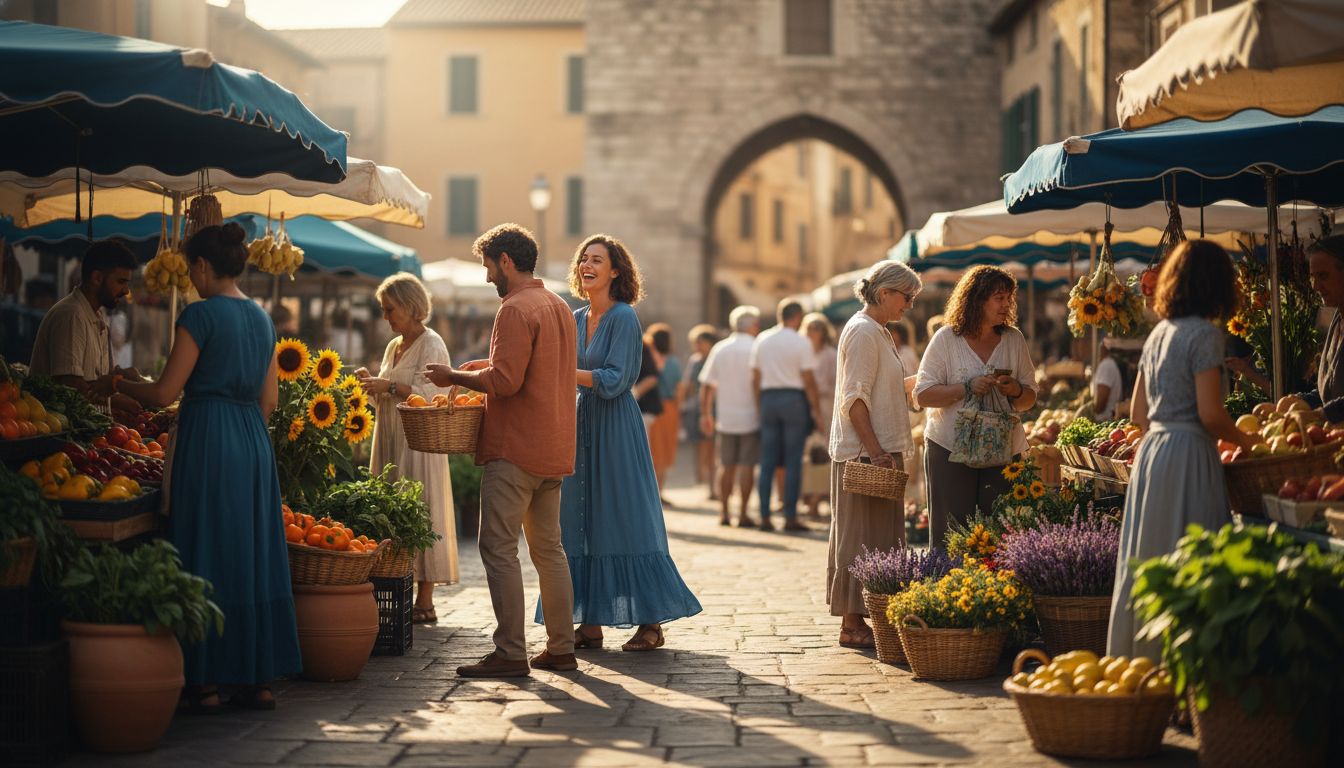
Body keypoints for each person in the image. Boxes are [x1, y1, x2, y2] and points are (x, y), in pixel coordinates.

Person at [93, 223, 299, 712]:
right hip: (252, 439)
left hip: (208, 436)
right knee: (251, 553)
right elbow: (269, 400)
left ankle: (203, 681)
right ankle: (257, 680)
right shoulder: (264, 320)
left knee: (205, 545)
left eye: (190, 270)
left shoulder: (200, 315)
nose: (189, 279)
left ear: (203, 266)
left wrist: (115, 386)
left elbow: (165, 393)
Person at [423, 223, 578, 678]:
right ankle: (562, 647)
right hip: (553, 447)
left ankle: (510, 652)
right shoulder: (559, 306)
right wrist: (480, 368)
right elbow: (531, 371)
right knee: (550, 551)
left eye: (489, 266)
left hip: (515, 448)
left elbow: (507, 383)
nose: (489, 276)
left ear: (505, 261)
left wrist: (454, 376)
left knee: (498, 548)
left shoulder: (513, 309)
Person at [1107, 240, 1262, 658]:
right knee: (1191, 559)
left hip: (1154, 453)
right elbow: (1212, 415)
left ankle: (1142, 662)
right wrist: (1254, 443)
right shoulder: (1206, 335)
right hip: (1190, 451)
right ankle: (1187, 669)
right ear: (1217, 285)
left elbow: (1138, 413)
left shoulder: (1159, 333)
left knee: (1150, 556)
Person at [552, 234, 702, 653]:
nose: (587, 264)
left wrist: (565, 372)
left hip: (616, 427)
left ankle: (651, 622)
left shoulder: (624, 318)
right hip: (581, 427)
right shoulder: (576, 317)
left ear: (615, 270)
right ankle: (590, 622)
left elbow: (617, 380)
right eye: (584, 258)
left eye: (597, 259)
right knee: (582, 519)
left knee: (626, 517)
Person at [354, 273, 459, 624]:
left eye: (390, 309)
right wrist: (375, 384)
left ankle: (425, 600)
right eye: (383, 310)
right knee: (392, 511)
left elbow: (435, 396)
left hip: (418, 442)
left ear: (412, 308)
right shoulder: (392, 346)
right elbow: (391, 390)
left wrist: (391, 386)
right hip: (389, 437)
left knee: (422, 511)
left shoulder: (432, 344)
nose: (385, 317)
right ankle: (399, 588)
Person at [829, 261, 922, 648]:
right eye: (907, 297)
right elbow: (854, 398)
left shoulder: (879, 331)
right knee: (859, 538)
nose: (910, 305)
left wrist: (921, 382)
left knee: (878, 539)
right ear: (885, 294)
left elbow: (878, 389)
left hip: (877, 450)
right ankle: (852, 625)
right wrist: (875, 451)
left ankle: (870, 618)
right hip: (865, 454)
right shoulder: (865, 331)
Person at [915, 265, 1039, 550]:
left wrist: (1016, 390)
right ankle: (949, 591)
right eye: (999, 298)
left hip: (1004, 449)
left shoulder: (1014, 339)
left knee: (999, 530)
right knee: (952, 532)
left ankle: (995, 592)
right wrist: (967, 387)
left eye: (1009, 298)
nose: (1007, 304)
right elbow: (922, 395)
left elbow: (1029, 399)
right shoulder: (946, 339)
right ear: (977, 299)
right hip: (948, 448)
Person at [29, 240, 140, 411]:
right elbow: (68, 385)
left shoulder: (96, 315)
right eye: (121, 282)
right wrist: (118, 398)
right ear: (97, 277)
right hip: (64, 434)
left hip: (90, 431)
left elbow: (94, 383)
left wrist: (117, 380)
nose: (126, 290)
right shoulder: (72, 315)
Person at [752, 300, 822, 532]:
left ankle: (764, 515)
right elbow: (809, 381)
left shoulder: (763, 339)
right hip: (793, 400)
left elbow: (755, 378)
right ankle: (790, 517)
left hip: (769, 399)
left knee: (767, 461)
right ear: (797, 317)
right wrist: (817, 411)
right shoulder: (801, 342)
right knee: (793, 461)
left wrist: (759, 405)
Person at [700, 306, 762, 527]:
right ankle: (743, 513)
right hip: (751, 415)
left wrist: (706, 413)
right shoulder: (757, 347)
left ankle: (724, 512)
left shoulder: (720, 348)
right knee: (747, 466)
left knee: (725, 465)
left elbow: (707, 384)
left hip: (726, 416)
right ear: (752, 325)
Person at [802, 313, 837, 519]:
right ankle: (807, 499)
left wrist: (813, 387)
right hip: (803, 409)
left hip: (825, 409)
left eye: (816, 328)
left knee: (823, 455)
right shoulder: (801, 352)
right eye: (808, 328)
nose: (812, 332)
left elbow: (833, 386)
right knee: (807, 456)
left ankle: (818, 500)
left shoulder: (830, 354)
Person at [645, 323, 682, 503]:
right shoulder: (673, 363)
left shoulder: (646, 358)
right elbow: (679, 390)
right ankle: (659, 492)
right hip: (668, 408)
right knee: (665, 451)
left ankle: (649, 493)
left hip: (649, 407)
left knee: (650, 450)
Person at [683, 324, 718, 498]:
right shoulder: (694, 360)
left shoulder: (716, 358)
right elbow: (688, 384)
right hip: (696, 408)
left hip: (714, 407)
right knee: (700, 446)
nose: (698, 346)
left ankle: (712, 485)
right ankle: (705, 482)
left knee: (711, 447)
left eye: (701, 342)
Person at [1092, 338, 1126, 421]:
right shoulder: (1110, 364)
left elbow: (1100, 405)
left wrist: (1091, 411)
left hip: (1105, 420)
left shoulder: (1106, 366)